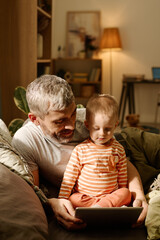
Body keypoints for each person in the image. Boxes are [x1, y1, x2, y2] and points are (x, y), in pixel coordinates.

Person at [12, 74, 147, 230]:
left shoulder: (91, 121)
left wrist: (138, 195)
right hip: (85, 195)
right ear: (35, 119)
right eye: (60, 121)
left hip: (131, 141)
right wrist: (53, 203)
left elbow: (121, 161)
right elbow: (32, 190)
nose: (71, 126)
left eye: (73, 113)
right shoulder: (26, 140)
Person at [59, 94, 131, 208]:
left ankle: (101, 207)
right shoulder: (81, 150)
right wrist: (62, 199)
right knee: (73, 198)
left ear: (115, 125)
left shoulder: (118, 149)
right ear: (87, 125)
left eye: (107, 129)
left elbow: (122, 176)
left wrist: (120, 196)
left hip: (110, 196)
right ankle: (100, 207)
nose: (102, 133)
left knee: (126, 193)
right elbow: (70, 176)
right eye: (96, 128)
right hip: (86, 197)